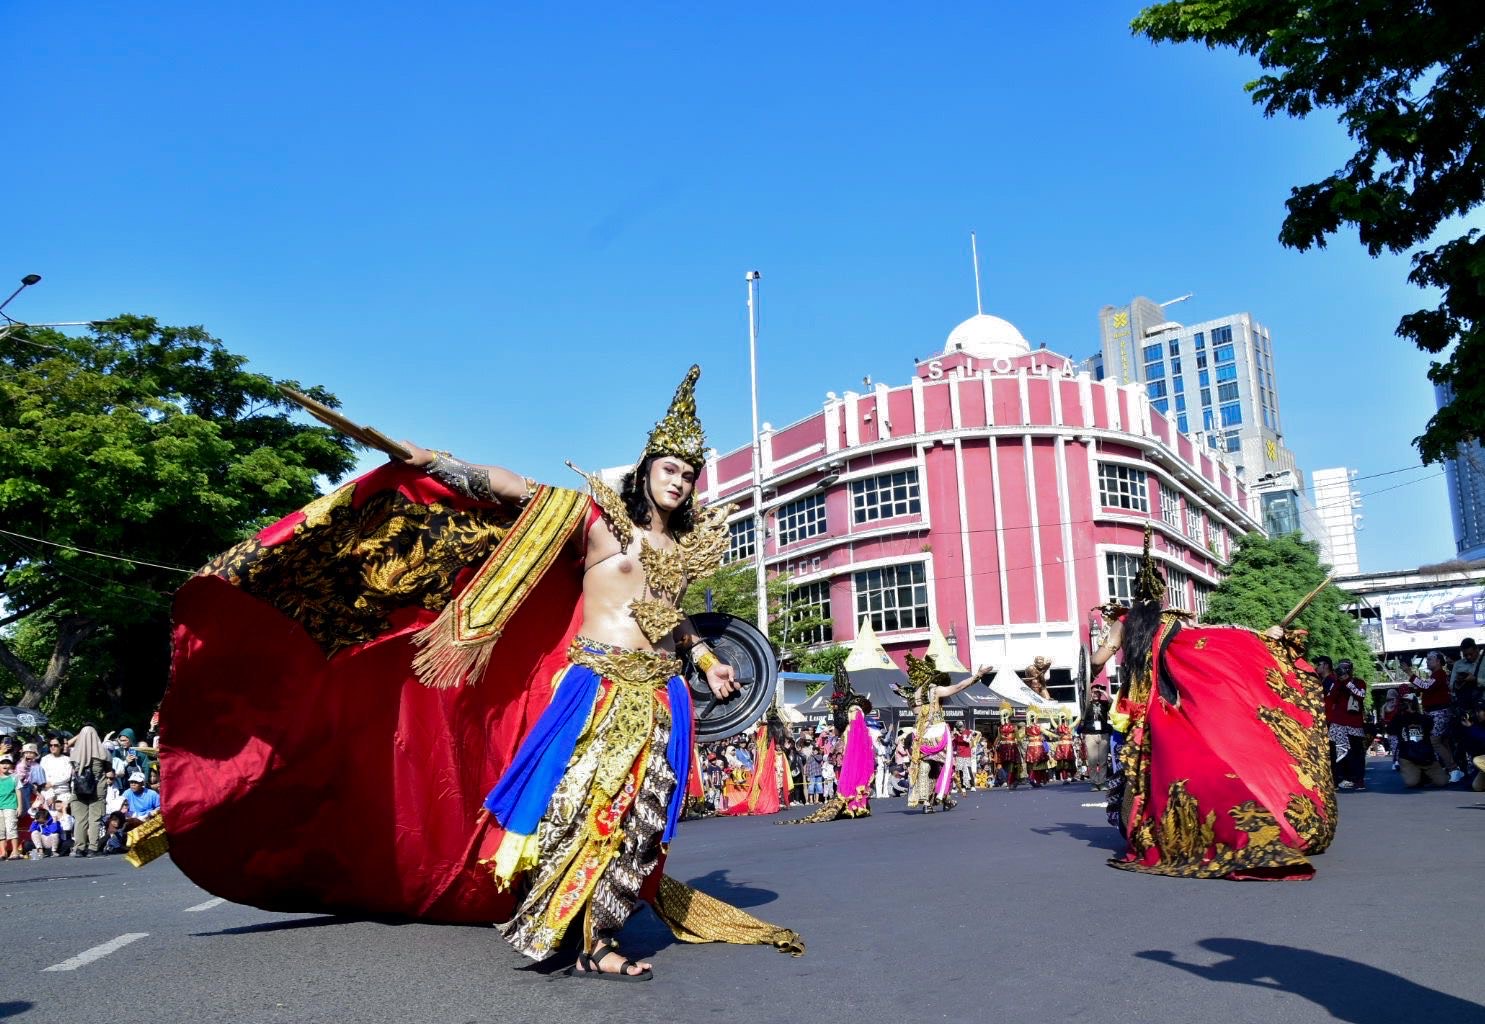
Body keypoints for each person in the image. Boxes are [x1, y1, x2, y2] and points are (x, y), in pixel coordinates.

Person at [165, 364, 802, 981]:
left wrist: (708, 659)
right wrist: (434, 462)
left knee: (643, 820)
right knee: (586, 807)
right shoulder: (599, 522)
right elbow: (513, 488)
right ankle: (590, 939)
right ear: (646, 470)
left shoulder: (679, 549)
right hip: (600, 689)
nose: (679, 482)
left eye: (689, 474)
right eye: (670, 468)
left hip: (661, 694)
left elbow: (670, 615)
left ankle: (596, 920)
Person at [1088, 524, 1336, 880]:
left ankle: (1152, 831)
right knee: (1190, 771)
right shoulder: (1172, 624)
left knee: (1141, 775)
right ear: (1162, 596)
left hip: (1134, 711)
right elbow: (1216, 642)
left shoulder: (1124, 624)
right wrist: (1263, 639)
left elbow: (1098, 661)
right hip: (1167, 707)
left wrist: (1097, 654)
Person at [781, 674, 876, 823]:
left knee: (857, 774)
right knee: (855, 775)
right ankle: (854, 805)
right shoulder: (853, 713)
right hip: (854, 745)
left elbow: (849, 731)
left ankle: (856, 805)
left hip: (855, 744)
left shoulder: (854, 712)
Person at [901, 655, 988, 813]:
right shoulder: (934, 690)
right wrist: (978, 675)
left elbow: (917, 713)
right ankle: (943, 797)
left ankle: (928, 802)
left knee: (925, 767)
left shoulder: (912, 696)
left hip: (920, 734)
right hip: (937, 731)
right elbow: (958, 687)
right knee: (945, 766)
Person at [1408, 651, 1463, 782]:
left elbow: (1426, 687)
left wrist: (1409, 673)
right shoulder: (1435, 675)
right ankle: (1453, 769)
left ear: (1438, 661)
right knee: (1443, 742)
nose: (1427, 662)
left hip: (1439, 712)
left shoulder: (1440, 674)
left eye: (1429, 659)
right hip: (1434, 712)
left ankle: (1453, 768)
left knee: (1435, 741)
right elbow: (1425, 687)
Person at [1324, 659, 1370, 791]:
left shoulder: (1359, 682)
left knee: (1357, 753)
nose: (1343, 671)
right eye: (1340, 668)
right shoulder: (1336, 683)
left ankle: (1358, 780)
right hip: (1338, 723)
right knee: (1339, 753)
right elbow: (1330, 699)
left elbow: (1360, 695)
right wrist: (1339, 682)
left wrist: (1347, 681)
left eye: (1345, 668)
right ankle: (1338, 780)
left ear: (1350, 669)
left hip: (1354, 723)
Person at [1389, 691, 1449, 788]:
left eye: (1407, 702)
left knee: (1442, 782)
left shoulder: (1424, 718)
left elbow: (1429, 726)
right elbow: (1390, 730)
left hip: (1426, 757)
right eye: (1403, 702)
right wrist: (1398, 714)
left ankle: (1424, 774)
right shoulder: (1399, 718)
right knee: (1411, 783)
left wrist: (1413, 712)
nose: (1404, 704)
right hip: (1408, 758)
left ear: (1413, 703)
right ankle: (1417, 774)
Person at [68, 725, 109, 857]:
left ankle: (79, 848)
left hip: (79, 789)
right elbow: (109, 769)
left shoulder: (74, 753)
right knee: (94, 819)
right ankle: (93, 848)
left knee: (80, 819)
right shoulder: (103, 752)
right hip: (97, 789)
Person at [1079, 682, 1114, 790]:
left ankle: (1102, 782)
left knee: (1103, 760)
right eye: (1094, 692)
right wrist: (1090, 693)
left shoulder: (1104, 704)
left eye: (1097, 693)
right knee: (1092, 760)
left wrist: (1103, 692)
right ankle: (1094, 783)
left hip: (1103, 734)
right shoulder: (1087, 705)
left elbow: (1112, 702)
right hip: (1090, 734)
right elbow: (1083, 702)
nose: (1095, 694)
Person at [0, 756, 21, 861]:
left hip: (10, 805)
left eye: (8, 763)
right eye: (3, 763)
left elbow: (18, 791)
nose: (5, 765)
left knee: (11, 828)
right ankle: (3, 852)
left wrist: (19, 806)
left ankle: (15, 851)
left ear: (11, 765)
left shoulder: (14, 777)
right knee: (1, 830)